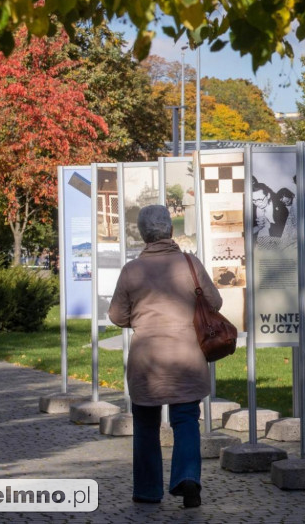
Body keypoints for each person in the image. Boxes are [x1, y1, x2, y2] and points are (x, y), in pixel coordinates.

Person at [108, 205, 223, 508]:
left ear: (144, 235)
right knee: (186, 419)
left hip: (147, 361)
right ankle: (188, 478)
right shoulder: (189, 264)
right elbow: (215, 301)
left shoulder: (132, 270)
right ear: (170, 230)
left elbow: (117, 316)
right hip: (187, 357)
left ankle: (147, 491)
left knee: (145, 423)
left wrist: (142, 318)